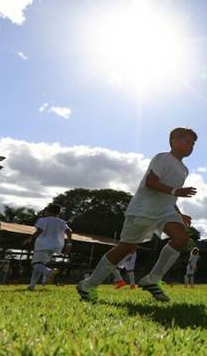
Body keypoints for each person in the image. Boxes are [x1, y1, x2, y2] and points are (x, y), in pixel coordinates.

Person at [76, 127, 197, 302]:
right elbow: (150, 183)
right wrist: (176, 191)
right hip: (143, 210)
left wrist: (179, 213)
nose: (191, 146)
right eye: (187, 142)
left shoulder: (184, 169)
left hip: (165, 212)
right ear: (173, 141)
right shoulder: (162, 158)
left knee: (181, 238)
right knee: (126, 248)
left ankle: (152, 279)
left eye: (193, 144)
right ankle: (87, 285)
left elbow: (170, 195)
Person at [23, 204, 72, 291]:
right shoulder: (61, 222)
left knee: (35, 264)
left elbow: (39, 230)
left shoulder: (42, 220)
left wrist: (29, 238)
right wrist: (69, 244)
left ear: (48, 211)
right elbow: (69, 231)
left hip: (43, 245)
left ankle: (49, 272)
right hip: (56, 246)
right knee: (40, 265)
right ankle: (32, 286)